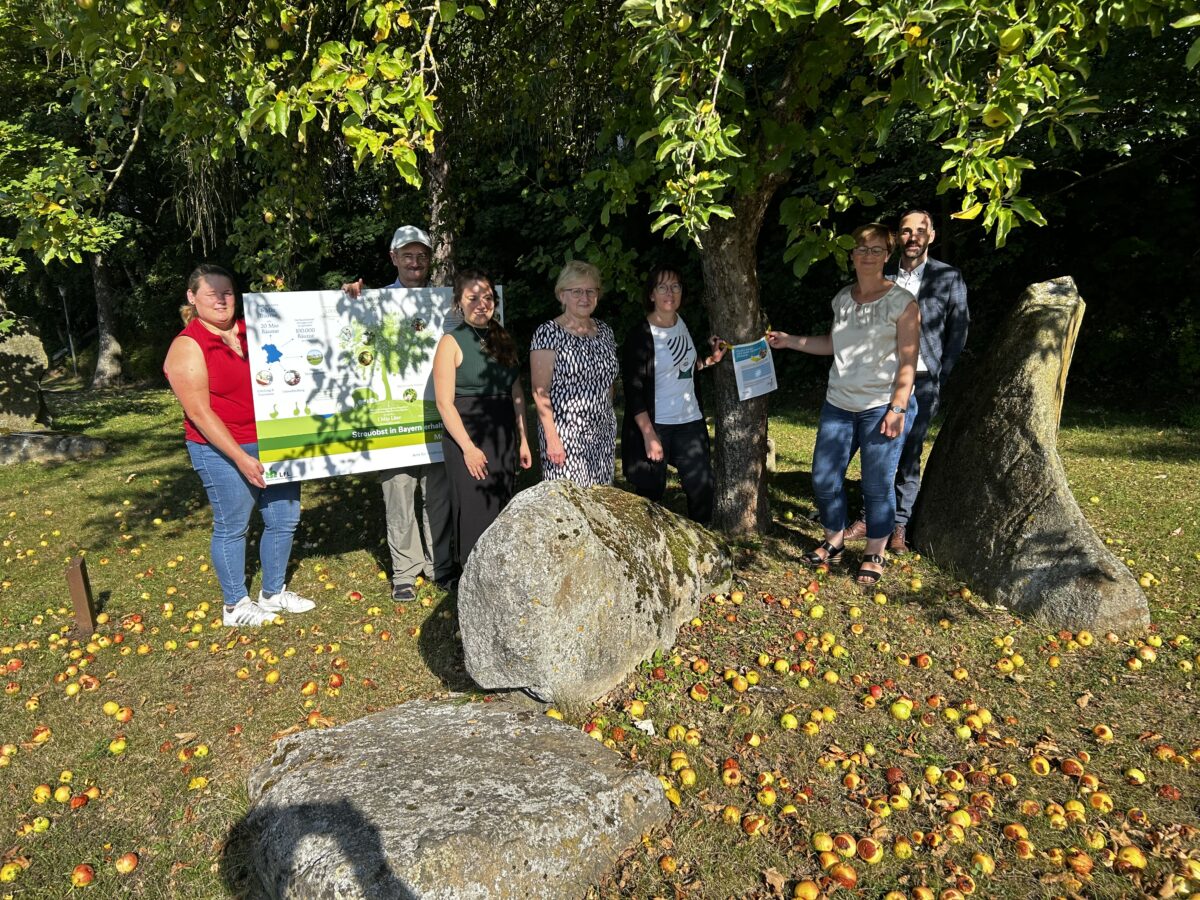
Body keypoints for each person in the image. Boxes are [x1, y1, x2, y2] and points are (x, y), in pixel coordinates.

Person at [766, 223, 920, 587]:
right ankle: (834, 540)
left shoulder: (902, 303)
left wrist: (898, 407)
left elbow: (909, 359)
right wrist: (790, 341)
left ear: (888, 255)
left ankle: (874, 551)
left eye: (877, 249)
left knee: (876, 485)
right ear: (851, 255)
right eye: (861, 248)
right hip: (839, 404)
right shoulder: (842, 299)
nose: (868, 255)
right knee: (823, 477)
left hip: (881, 406)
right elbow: (835, 346)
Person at [163, 264, 315, 626]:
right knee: (233, 525)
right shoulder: (188, 345)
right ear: (192, 297)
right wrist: (241, 458)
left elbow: (308, 331)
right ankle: (235, 605)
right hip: (221, 448)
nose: (221, 300)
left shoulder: (255, 332)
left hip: (276, 440)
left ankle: (273, 592)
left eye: (227, 293)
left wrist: (346, 298)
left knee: (284, 518)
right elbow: (199, 413)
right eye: (212, 293)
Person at [844, 209, 969, 552]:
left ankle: (899, 524)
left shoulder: (949, 278)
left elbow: (958, 332)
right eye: (905, 231)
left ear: (931, 236)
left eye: (920, 231)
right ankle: (870, 518)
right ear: (897, 238)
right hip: (878, 378)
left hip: (924, 379)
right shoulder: (880, 276)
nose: (912, 237)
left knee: (910, 451)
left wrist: (939, 373)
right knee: (877, 451)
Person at [344, 225, 453, 600]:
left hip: (437, 417)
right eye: (407, 255)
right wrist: (348, 298)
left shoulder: (446, 302)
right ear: (393, 258)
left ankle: (439, 565)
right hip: (393, 422)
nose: (415, 261)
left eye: (421, 255)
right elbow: (343, 324)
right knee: (399, 493)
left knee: (438, 495)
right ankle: (405, 570)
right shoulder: (373, 301)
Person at [432, 269, 532, 568]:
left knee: (502, 506)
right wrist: (469, 448)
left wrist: (524, 440)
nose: (481, 304)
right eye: (472, 297)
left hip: (503, 436)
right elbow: (444, 403)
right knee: (475, 512)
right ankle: (473, 581)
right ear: (458, 303)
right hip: (469, 436)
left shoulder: (503, 339)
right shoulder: (450, 342)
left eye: (487, 297)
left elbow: (516, 392)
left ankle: (500, 576)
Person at [621, 266, 725, 524]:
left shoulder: (681, 322)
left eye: (675, 286)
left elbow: (683, 368)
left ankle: (701, 545)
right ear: (651, 295)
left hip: (690, 421)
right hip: (658, 425)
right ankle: (648, 547)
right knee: (651, 493)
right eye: (662, 287)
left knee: (702, 488)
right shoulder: (641, 335)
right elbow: (633, 391)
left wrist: (710, 360)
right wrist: (649, 436)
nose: (670, 292)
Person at [529, 261, 619, 487]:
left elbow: (609, 381)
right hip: (565, 435)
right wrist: (552, 438)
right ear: (562, 295)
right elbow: (540, 392)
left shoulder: (605, 331)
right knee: (569, 505)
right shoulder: (548, 333)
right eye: (577, 291)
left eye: (591, 291)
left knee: (601, 501)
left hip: (602, 432)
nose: (585, 297)